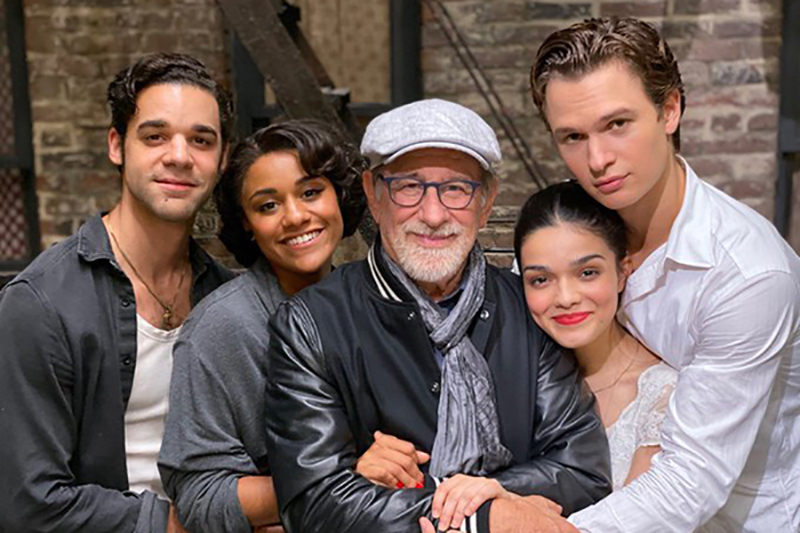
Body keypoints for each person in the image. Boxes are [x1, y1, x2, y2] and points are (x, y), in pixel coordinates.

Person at [481, 16, 800, 532]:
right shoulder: (566, 235)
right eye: (573, 136)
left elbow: (690, 479)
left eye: (617, 125)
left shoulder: (747, 276)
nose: (598, 159)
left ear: (669, 109)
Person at [263, 98, 611, 533]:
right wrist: (486, 519)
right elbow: (313, 503)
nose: (433, 215)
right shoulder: (310, 325)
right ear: (373, 194)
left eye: (456, 189)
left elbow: (582, 470)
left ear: (486, 202)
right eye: (409, 187)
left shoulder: (527, 308)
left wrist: (478, 497)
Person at [0, 53, 234, 532]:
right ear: (116, 145)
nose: (179, 156)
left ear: (222, 158)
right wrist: (185, 525)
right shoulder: (42, 304)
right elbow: (30, 505)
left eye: (201, 140)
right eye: (155, 136)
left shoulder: (226, 297)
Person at [157, 120, 367, 533]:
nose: (296, 216)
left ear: (339, 196)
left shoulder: (370, 303)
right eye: (268, 206)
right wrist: (341, 482)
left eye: (311, 192)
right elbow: (199, 495)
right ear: (247, 224)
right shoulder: (221, 329)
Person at [515, 181, 677, 491]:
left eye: (587, 272)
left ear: (623, 272)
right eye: (540, 279)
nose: (565, 298)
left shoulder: (665, 397)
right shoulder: (517, 380)